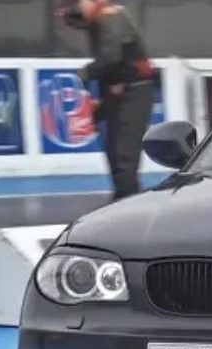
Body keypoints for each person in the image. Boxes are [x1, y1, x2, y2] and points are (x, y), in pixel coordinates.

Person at [59, 0, 156, 200]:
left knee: (124, 151)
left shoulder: (110, 17)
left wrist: (87, 72)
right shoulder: (97, 21)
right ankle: (124, 194)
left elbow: (110, 58)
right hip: (118, 90)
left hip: (135, 89)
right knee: (114, 148)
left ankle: (127, 197)